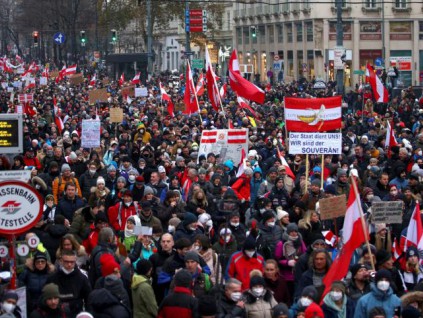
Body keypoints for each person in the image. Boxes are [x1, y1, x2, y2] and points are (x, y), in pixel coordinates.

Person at [46, 250, 92, 317]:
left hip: (76, 313)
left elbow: (88, 299)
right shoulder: (52, 278)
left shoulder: (82, 278)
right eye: (66, 261)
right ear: (61, 261)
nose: (69, 264)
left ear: (75, 261)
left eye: (72, 262)